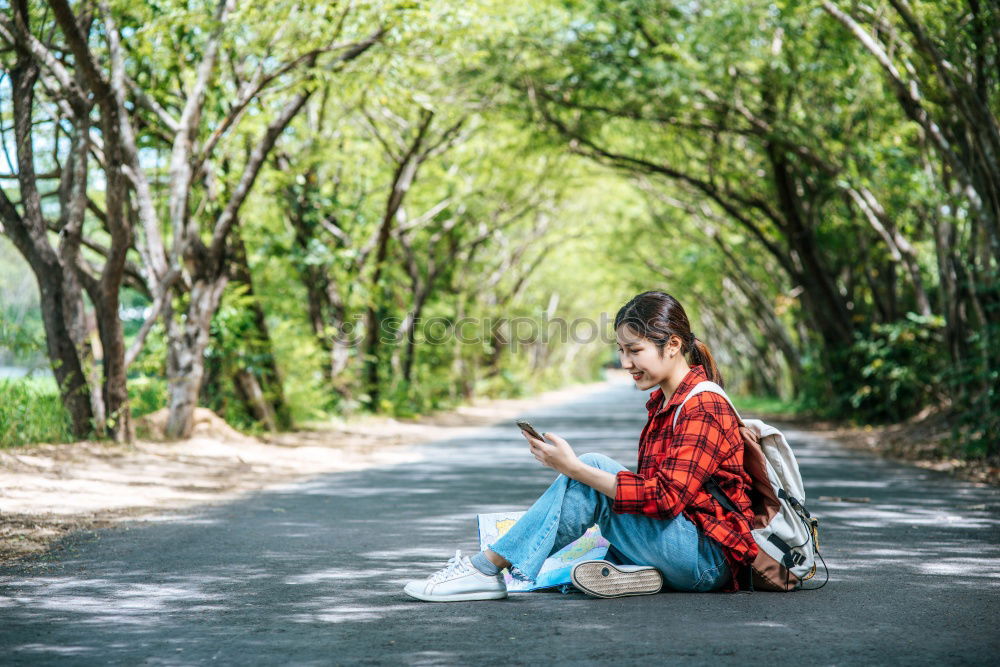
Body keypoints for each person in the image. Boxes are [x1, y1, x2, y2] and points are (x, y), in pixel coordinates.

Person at [403, 290, 758, 602]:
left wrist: (574, 469)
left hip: (707, 560)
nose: (625, 363)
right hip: (687, 544)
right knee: (589, 480)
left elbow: (664, 499)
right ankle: (626, 569)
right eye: (621, 350)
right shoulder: (667, 403)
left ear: (674, 345)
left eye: (635, 350)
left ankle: (485, 569)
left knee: (591, 468)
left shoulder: (703, 406)